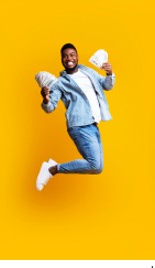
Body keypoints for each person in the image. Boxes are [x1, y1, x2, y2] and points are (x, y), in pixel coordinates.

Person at [34, 43, 115, 191]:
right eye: (65, 56)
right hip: (79, 126)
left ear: (77, 57)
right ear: (61, 60)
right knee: (94, 165)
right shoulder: (60, 83)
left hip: (93, 124)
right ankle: (53, 169)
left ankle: (53, 167)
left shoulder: (87, 71)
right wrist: (45, 99)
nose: (68, 58)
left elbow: (106, 85)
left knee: (97, 167)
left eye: (71, 55)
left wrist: (109, 74)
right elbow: (50, 107)